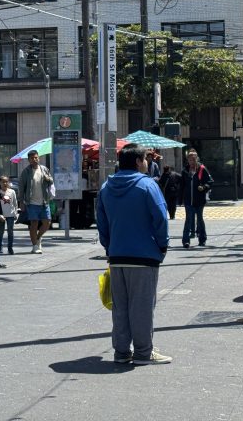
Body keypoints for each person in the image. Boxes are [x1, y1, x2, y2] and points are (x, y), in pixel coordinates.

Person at [96, 143, 171, 365]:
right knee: (142, 307)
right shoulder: (147, 186)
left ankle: (121, 352)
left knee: (120, 307)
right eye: (145, 159)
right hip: (145, 256)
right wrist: (162, 246)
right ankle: (143, 353)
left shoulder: (106, 188)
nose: (147, 162)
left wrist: (109, 246)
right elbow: (160, 218)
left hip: (117, 256)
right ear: (138, 162)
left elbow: (102, 223)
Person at [19, 150, 54, 254]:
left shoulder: (44, 169)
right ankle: (35, 246)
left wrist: (48, 178)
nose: (34, 160)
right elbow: (21, 187)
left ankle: (38, 238)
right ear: (29, 160)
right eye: (32, 158)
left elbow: (51, 180)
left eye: (36, 158)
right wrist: (21, 201)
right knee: (34, 224)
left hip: (44, 201)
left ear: (38, 158)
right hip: (32, 202)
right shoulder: (26, 172)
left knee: (47, 222)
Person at [181, 149, 213, 248]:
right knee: (188, 220)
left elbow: (210, 181)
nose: (192, 161)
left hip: (199, 200)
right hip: (188, 201)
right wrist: (180, 199)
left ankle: (202, 239)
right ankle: (186, 241)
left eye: (194, 159)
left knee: (200, 220)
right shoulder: (185, 170)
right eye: (190, 160)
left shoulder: (202, 169)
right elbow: (182, 186)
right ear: (188, 160)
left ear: (197, 159)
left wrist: (204, 187)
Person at [0, 175, 19, 254]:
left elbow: (15, 203)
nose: (5, 183)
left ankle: (10, 248)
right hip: (1, 215)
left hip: (10, 214)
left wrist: (15, 213)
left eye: (6, 181)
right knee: (1, 231)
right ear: (0, 183)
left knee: (10, 231)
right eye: (3, 182)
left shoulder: (12, 192)